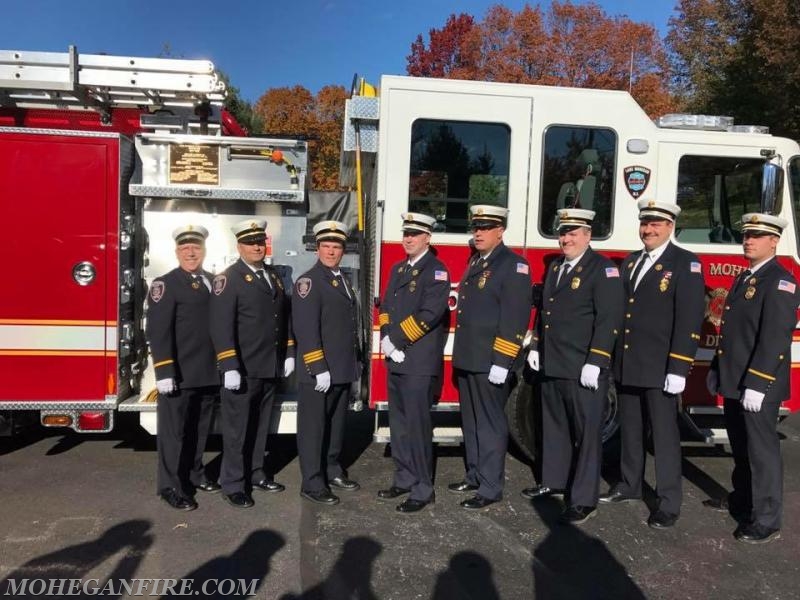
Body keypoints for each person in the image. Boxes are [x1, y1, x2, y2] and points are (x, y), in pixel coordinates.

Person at [600, 199, 705, 529]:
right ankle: (630, 485)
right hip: (629, 363)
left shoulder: (685, 264)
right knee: (630, 430)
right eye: (645, 224)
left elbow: (689, 319)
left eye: (656, 224)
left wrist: (679, 367)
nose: (648, 230)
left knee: (663, 437)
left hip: (660, 367)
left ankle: (668, 501)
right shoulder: (632, 263)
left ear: (670, 227)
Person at [523, 209, 624, 524]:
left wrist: (596, 360)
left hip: (583, 368)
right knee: (554, 427)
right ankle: (553, 481)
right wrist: (536, 344)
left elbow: (609, 320)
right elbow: (545, 313)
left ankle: (583, 499)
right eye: (563, 233)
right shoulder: (556, 268)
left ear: (588, 235)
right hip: (553, 363)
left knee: (586, 434)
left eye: (573, 232)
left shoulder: (603, 270)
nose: (566, 238)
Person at [706, 213, 797, 543]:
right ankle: (743, 500)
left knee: (762, 452)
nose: (748, 240)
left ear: (774, 241)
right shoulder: (747, 277)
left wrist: (758, 383)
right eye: (746, 235)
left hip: (759, 384)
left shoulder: (781, 281)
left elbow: (775, 337)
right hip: (736, 380)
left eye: (757, 235)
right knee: (742, 447)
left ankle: (766, 518)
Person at [449, 205, 532, 510]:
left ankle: (490, 486)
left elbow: (515, 319)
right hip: (469, 358)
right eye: (476, 228)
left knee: (490, 424)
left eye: (486, 228)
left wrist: (503, 360)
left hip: (490, 361)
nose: (478, 233)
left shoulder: (514, 266)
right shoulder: (477, 262)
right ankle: (474, 474)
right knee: (470, 422)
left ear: (501, 231)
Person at [210, 219, 295, 508]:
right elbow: (220, 325)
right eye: (250, 242)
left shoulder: (273, 276)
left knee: (260, 425)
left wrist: (289, 353)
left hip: (269, 365)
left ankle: (256, 472)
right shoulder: (228, 278)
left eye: (260, 241)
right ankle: (233, 483)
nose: (257, 246)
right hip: (243, 368)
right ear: (239, 246)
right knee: (237, 429)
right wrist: (229, 364)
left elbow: (282, 319)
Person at [376, 212, 450, 513]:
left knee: (417, 428)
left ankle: (422, 489)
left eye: (415, 234)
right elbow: (385, 307)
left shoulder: (437, 271)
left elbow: (430, 314)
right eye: (406, 233)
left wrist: (398, 341)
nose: (408, 239)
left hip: (417, 361)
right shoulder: (398, 269)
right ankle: (404, 478)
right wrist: (385, 337)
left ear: (427, 238)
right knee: (399, 425)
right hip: (397, 359)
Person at [146, 224, 220, 511]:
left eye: (196, 247)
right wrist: (163, 370)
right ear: (177, 252)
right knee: (173, 434)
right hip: (179, 374)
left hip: (207, 372)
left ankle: (195, 474)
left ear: (203, 251)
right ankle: (170, 486)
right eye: (186, 248)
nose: (191, 252)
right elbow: (158, 331)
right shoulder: (166, 284)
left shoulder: (213, 281)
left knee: (199, 430)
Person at [292, 220, 361, 506]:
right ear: (317, 248)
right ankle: (312, 481)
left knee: (335, 426)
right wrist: (318, 367)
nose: (332, 252)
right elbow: (306, 329)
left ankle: (332, 469)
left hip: (341, 368)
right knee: (313, 428)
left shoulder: (341, 279)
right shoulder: (309, 282)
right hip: (319, 372)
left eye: (337, 247)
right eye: (327, 247)